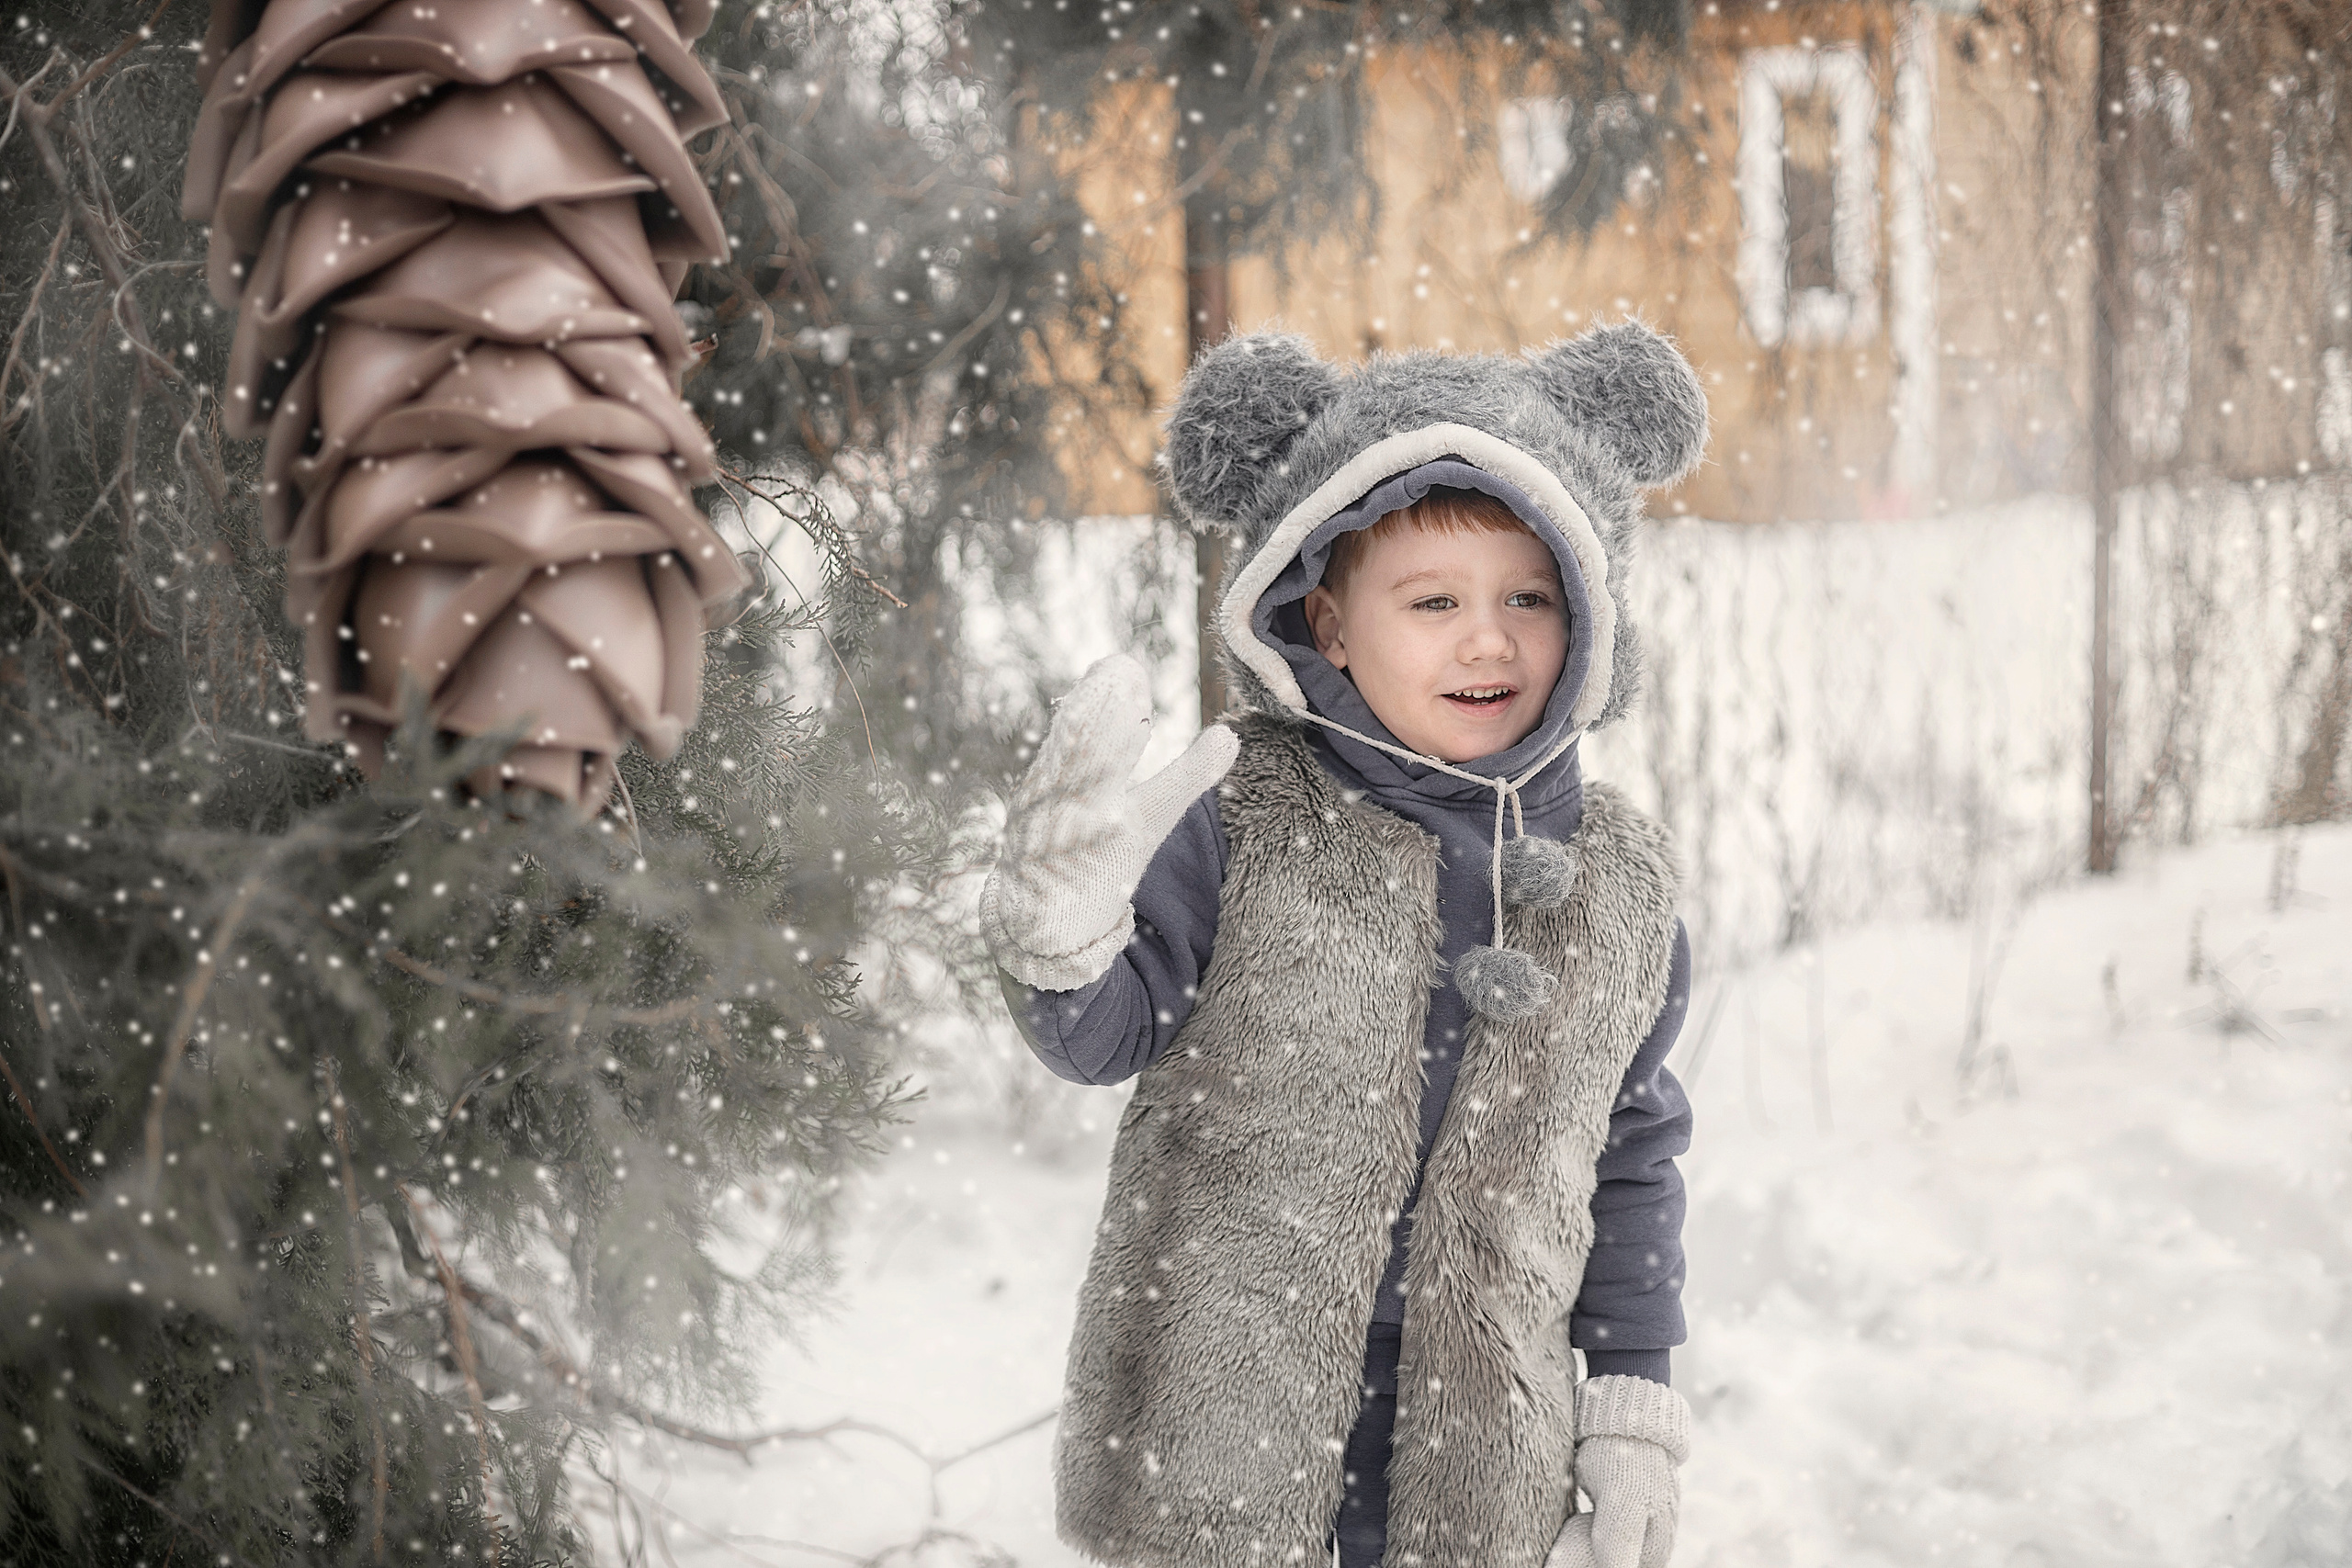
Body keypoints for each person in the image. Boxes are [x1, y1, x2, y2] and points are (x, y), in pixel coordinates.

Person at [982, 321, 1708, 1568]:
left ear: (1590, 610)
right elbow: (1104, 1041)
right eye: (1433, 603)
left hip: (1482, 1455)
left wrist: (1631, 1404)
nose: (1489, 640)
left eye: (1529, 598)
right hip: (1219, 1432)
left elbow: (1631, 1158)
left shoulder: (1616, 893)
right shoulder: (1247, 820)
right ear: (1325, 623)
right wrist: (1064, 943)